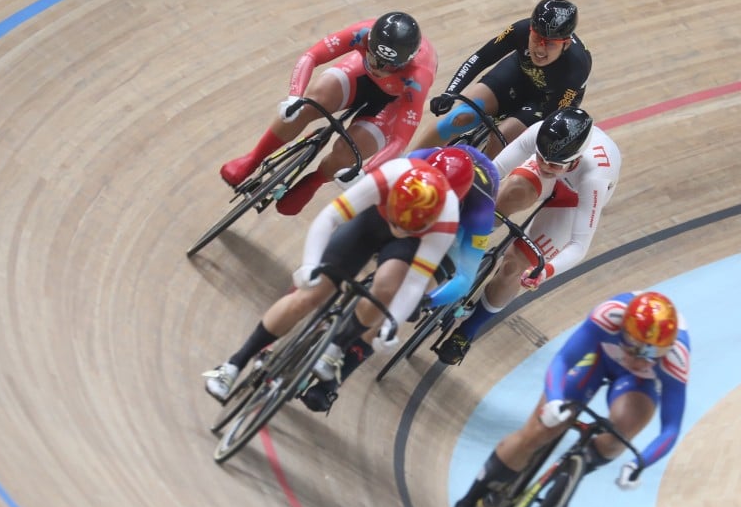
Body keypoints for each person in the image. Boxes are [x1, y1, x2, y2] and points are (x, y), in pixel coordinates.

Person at [203, 153, 466, 409]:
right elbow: (329, 217)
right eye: (398, 222)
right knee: (309, 296)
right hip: (372, 220)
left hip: (410, 245)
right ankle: (233, 365)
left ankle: (337, 347)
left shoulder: (446, 218)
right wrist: (309, 265)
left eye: (408, 227)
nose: (400, 229)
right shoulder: (388, 176)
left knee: (386, 288)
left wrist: (391, 323)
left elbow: (414, 283)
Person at [434, 290, 690, 507]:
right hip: (599, 359)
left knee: (619, 436)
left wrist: (639, 464)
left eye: (650, 355)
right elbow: (564, 360)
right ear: (623, 327)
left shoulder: (676, 357)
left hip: (637, 383)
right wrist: (555, 399)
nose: (638, 359)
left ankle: (575, 472)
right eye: (634, 347)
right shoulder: (609, 316)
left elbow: (670, 428)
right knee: (538, 431)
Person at [299, 144, 500, 412]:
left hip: (450, 236)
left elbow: (465, 277)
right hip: (408, 203)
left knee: (396, 301)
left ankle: (335, 378)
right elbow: (378, 190)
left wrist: (425, 300)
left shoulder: (479, 212)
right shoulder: (418, 161)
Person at [434, 106, 621, 366]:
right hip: (556, 173)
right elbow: (493, 171)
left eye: (553, 164)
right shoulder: (539, 138)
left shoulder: (594, 178)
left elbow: (579, 245)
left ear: (575, 160)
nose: (545, 166)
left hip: (575, 199)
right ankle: (456, 258)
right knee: (508, 194)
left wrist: (546, 271)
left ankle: (467, 331)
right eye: (542, 158)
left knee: (515, 266)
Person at [218, 12, 438, 216]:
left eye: (388, 67)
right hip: (359, 76)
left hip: (394, 101)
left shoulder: (418, 78)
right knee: (306, 106)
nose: (378, 68)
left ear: (405, 63)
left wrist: (366, 172)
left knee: (348, 152)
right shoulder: (362, 32)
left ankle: (313, 181)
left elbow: (400, 140)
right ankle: (253, 158)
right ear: (368, 43)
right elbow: (311, 56)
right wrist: (295, 96)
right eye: (373, 58)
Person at [412, 0, 591, 157]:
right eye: (537, 38)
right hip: (517, 75)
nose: (540, 49)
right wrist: (450, 93)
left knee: (499, 140)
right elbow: (481, 58)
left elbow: (551, 119)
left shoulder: (576, 68)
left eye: (550, 44)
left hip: (547, 101)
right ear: (530, 29)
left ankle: (477, 185)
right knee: (456, 119)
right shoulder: (520, 29)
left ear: (565, 44)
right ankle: (404, 167)